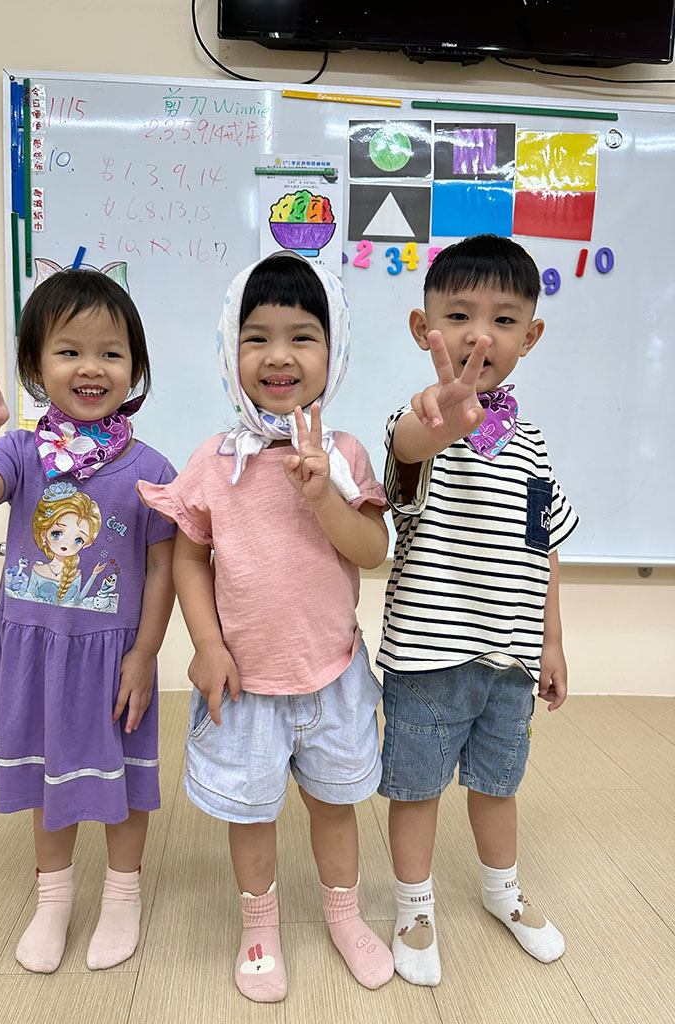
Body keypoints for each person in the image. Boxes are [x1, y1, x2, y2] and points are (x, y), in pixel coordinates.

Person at [138, 251, 394, 1002]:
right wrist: (206, 645)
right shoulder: (215, 461)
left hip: (332, 674)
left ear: (333, 350)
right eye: (257, 337)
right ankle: (259, 926)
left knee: (335, 805)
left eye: (302, 336)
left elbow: (372, 551)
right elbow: (190, 558)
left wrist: (323, 495)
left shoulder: (344, 454)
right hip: (242, 684)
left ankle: (343, 914)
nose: (279, 355)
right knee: (249, 815)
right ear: (231, 350)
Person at [0, 269, 177, 974]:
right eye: (69, 350)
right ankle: (53, 899)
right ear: (35, 367)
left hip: (114, 660)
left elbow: (164, 569)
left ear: (135, 367)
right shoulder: (18, 451)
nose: (91, 367)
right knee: (51, 778)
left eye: (111, 352)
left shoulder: (153, 469)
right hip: (35, 654)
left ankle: (123, 895)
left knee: (122, 781)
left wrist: (146, 653)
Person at [377, 234, 579, 986]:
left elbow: (544, 548)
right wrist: (439, 424)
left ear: (532, 335)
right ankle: (413, 908)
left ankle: (502, 891)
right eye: (458, 316)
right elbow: (405, 453)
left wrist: (552, 642)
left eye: (503, 319)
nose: (479, 336)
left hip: (510, 660)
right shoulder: (422, 421)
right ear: (422, 329)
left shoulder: (534, 445)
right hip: (428, 659)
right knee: (416, 789)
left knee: (500, 783)